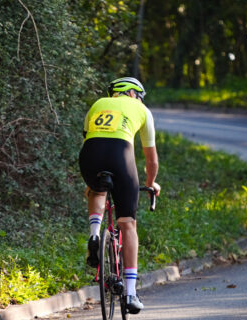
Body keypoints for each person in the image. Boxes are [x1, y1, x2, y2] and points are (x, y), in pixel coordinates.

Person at [79, 77, 160, 314]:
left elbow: (88, 141)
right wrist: (150, 183)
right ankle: (131, 294)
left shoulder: (97, 104)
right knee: (128, 223)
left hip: (89, 156)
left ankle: (94, 234)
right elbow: (151, 159)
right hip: (120, 155)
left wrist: (90, 181)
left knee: (97, 189)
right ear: (134, 94)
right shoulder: (143, 110)